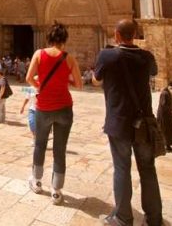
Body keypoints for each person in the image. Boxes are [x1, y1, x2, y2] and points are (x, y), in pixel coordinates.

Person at [93, 19, 162, 226]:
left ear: (116, 35)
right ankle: (154, 218)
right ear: (135, 35)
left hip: (119, 122)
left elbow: (97, 79)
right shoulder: (146, 57)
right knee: (148, 169)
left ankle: (123, 217)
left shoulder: (107, 56)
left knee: (121, 168)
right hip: (144, 123)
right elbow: (154, 71)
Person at [26, 21, 83, 205]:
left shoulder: (39, 54)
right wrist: (65, 82)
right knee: (60, 149)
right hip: (64, 107)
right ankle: (56, 191)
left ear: (49, 38)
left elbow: (28, 78)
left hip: (44, 107)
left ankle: (36, 181)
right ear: (64, 40)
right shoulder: (69, 58)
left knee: (40, 145)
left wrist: (40, 86)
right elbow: (79, 84)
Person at [157, 81, 172, 152]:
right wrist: (170, 110)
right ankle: (165, 147)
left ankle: (168, 146)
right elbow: (163, 105)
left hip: (167, 115)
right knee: (165, 131)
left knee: (169, 131)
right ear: (171, 88)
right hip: (163, 116)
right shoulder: (165, 93)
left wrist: (170, 109)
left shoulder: (167, 93)